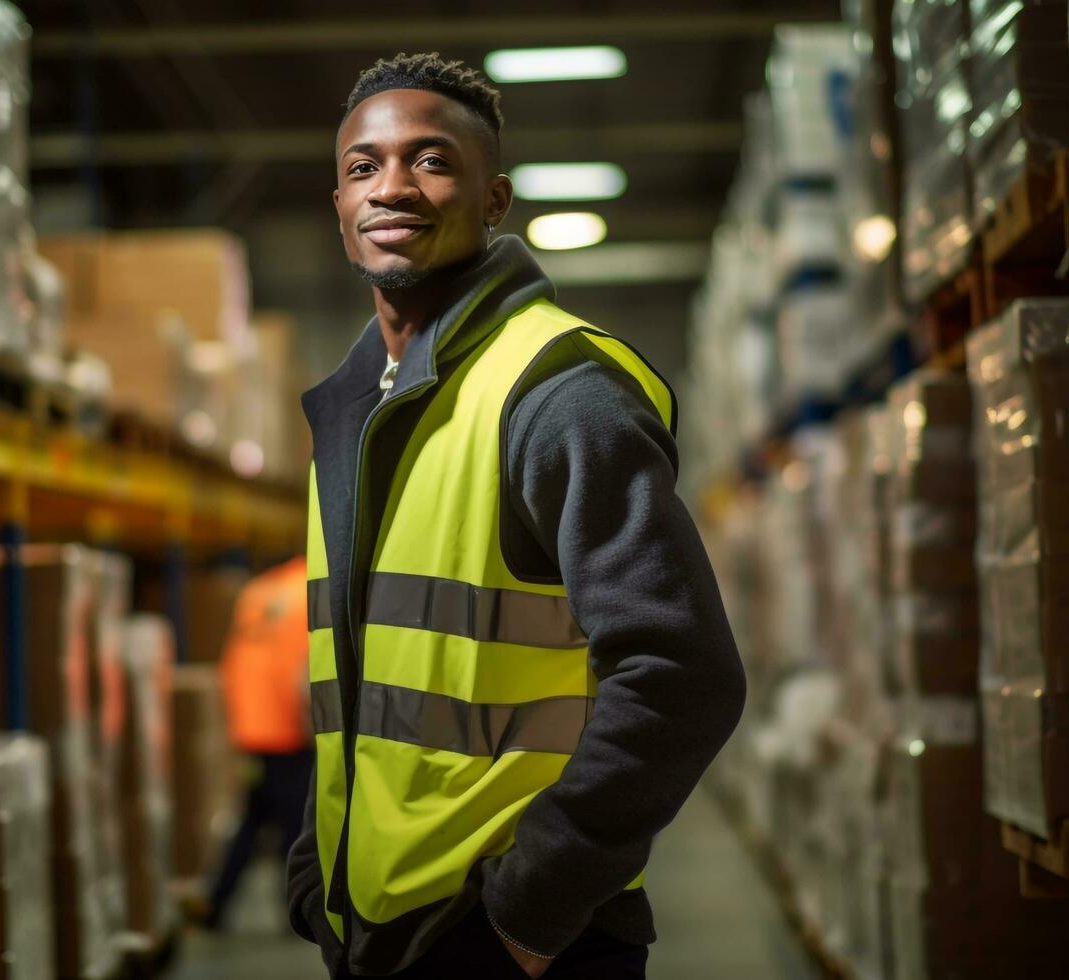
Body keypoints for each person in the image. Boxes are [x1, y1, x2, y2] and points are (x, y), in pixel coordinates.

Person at [288, 52, 745, 979]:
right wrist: (317, 861)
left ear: (494, 200)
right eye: (362, 168)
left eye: (431, 160)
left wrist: (527, 913)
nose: (393, 188)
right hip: (376, 926)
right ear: (336, 203)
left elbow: (683, 675)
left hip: (514, 940)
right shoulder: (351, 411)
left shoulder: (558, 393)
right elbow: (368, 680)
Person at [202, 554, 316, 930]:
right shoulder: (310, 590)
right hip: (289, 727)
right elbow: (307, 667)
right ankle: (292, 909)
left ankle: (217, 899)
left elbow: (235, 660)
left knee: (255, 816)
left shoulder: (257, 591)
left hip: (252, 725)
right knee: (294, 822)